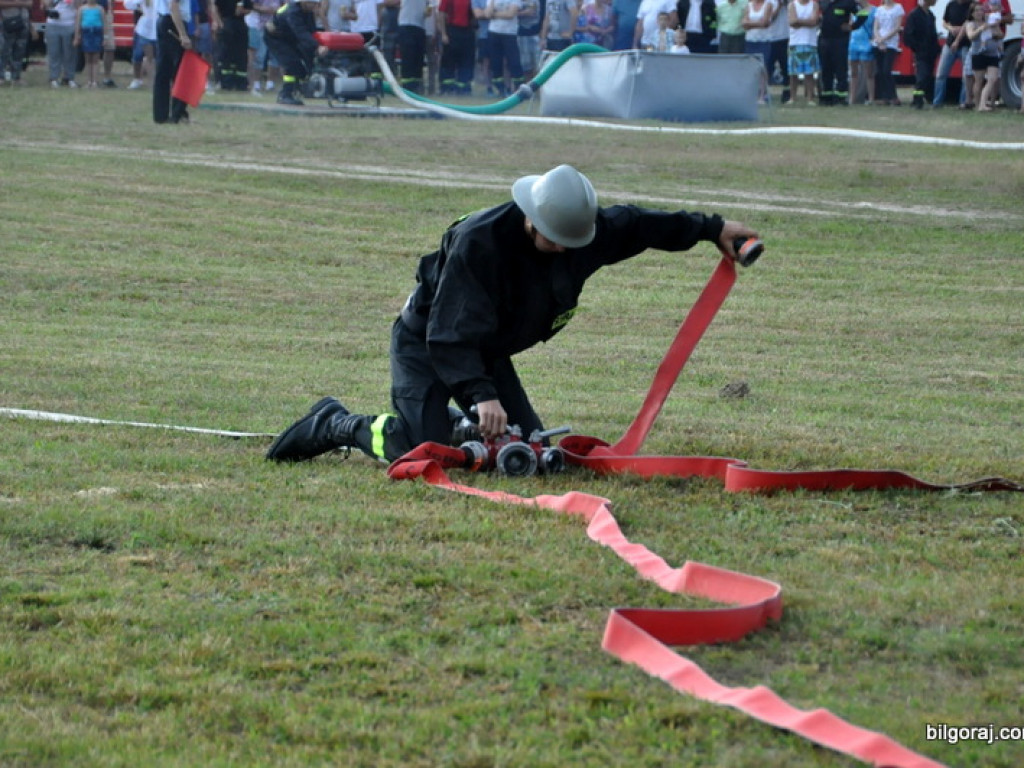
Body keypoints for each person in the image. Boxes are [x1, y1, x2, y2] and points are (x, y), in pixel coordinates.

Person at [265, 164, 760, 465]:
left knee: (530, 446)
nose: (567, 252)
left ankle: (465, 424)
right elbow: (450, 334)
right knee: (423, 450)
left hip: (488, 349)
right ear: (531, 218)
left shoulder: (580, 230)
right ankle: (338, 424)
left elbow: (640, 225)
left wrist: (714, 228)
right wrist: (483, 395)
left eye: (576, 244)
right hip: (430, 344)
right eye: (555, 242)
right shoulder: (479, 245)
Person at [264, 0, 326, 103]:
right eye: (312, 3)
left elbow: (311, 31)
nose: (314, 6)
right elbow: (300, 32)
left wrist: (319, 45)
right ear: (303, 2)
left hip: (289, 37)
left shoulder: (307, 12)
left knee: (304, 66)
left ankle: (297, 90)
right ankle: (285, 95)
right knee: (291, 64)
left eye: (315, 4)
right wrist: (317, 46)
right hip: (276, 38)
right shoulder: (293, 12)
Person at [153, 0, 193, 121]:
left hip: (163, 20)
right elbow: (174, 5)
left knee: (163, 71)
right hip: (174, 22)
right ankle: (178, 113)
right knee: (181, 71)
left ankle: (160, 114)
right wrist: (183, 34)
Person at [816, 0, 859, 105]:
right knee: (826, 69)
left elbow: (863, 13)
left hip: (840, 40)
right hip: (824, 39)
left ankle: (841, 97)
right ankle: (827, 97)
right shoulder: (822, 1)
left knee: (840, 69)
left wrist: (853, 26)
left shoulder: (847, 2)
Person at [965, 0, 1002, 111]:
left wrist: (993, 31)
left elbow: (1000, 34)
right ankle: (978, 105)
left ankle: (983, 103)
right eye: (976, 11)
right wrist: (981, 29)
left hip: (992, 54)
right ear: (972, 13)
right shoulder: (970, 24)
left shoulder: (989, 21)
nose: (980, 12)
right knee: (979, 81)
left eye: (981, 10)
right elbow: (970, 36)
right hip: (978, 54)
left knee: (993, 78)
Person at [903, 0, 938, 108]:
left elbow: (933, 34)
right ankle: (917, 100)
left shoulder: (930, 15)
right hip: (920, 51)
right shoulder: (914, 15)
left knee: (927, 76)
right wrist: (917, 48)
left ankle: (919, 98)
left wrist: (937, 48)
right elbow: (908, 35)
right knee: (922, 75)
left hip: (931, 52)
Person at [485, 0, 523, 96]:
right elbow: (487, 14)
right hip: (493, 32)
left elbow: (510, 14)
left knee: (514, 62)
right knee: (495, 63)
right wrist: (493, 8)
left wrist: (495, 14)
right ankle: (500, 89)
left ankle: (517, 88)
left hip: (509, 34)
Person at [437, 0, 475, 93]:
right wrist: (443, 33)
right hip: (452, 30)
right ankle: (446, 88)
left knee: (467, 60)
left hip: (467, 31)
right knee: (448, 60)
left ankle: (464, 87)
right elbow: (441, 14)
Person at [787, 0, 819, 105]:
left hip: (810, 42)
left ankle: (810, 98)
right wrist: (807, 22)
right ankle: (793, 97)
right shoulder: (792, 5)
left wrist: (799, 21)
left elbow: (814, 21)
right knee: (793, 73)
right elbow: (792, 22)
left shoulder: (814, 5)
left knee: (809, 73)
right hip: (795, 42)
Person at [871, 0, 903, 105]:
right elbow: (875, 26)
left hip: (891, 43)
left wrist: (884, 38)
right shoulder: (879, 9)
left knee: (886, 70)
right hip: (878, 43)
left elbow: (897, 27)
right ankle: (884, 97)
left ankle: (893, 97)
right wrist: (879, 39)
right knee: (880, 71)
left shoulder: (898, 8)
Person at [742, 0, 774, 101]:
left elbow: (765, 23)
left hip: (763, 41)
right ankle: (752, 93)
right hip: (750, 41)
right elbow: (744, 23)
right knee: (751, 69)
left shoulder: (768, 5)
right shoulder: (749, 5)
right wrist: (757, 23)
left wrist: (750, 24)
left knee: (763, 68)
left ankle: (762, 95)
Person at [397, 0, 431, 92]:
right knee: (408, 57)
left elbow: (428, 7)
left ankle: (416, 86)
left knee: (418, 59)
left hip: (420, 26)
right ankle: (407, 87)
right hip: (406, 24)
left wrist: (427, 11)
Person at [125, 0, 159, 89]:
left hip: (158, 26)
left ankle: (153, 83)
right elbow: (128, 4)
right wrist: (138, 5)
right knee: (138, 55)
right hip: (144, 28)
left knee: (152, 57)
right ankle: (137, 79)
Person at [45, 0, 79, 87]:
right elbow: (45, 4)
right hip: (53, 23)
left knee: (69, 53)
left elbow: (79, 6)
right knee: (54, 52)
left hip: (69, 23)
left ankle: (69, 78)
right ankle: (54, 78)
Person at [74, 0, 106, 87]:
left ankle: (95, 81)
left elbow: (104, 24)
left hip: (97, 33)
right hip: (86, 33)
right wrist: (77, 36)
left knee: (95, 58)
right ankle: (89, 81)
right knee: (88, 58)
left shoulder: (100, 9)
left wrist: (104, 38)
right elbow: (78, 23)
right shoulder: (82, 9)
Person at [847, 0, 874, 103]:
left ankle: (871, 98)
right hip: (853, 43)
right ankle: (852, 98)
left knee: (869, 73)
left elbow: (875, 26)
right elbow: (850, 24)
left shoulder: (874, 10)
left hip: (867, 43)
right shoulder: (853, 11)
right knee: (853, 73)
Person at [0, 0, 31, 86]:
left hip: (23, 22)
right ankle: (1, 77)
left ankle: (16, 77)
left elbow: (29, 4)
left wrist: (14, 3)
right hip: (7, 22)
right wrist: (19, 3)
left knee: (19, 52)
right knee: (4, 51)